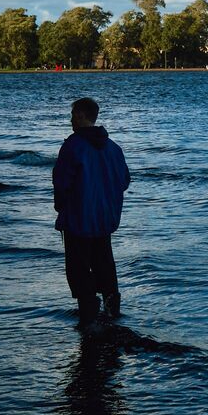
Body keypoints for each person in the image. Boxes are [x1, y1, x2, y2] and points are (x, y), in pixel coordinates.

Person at [53, 97, 131, 328]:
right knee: (104, 262)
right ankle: (111, 309)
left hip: (78, 217)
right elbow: (124, 180)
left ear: (81, 115)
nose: (70, 120)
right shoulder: (113, 147)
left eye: (73, 115)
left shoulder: (73, 146)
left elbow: (62, 182)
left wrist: (61, 206)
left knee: (78, 267)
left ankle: (88, 312)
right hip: (105, 217)